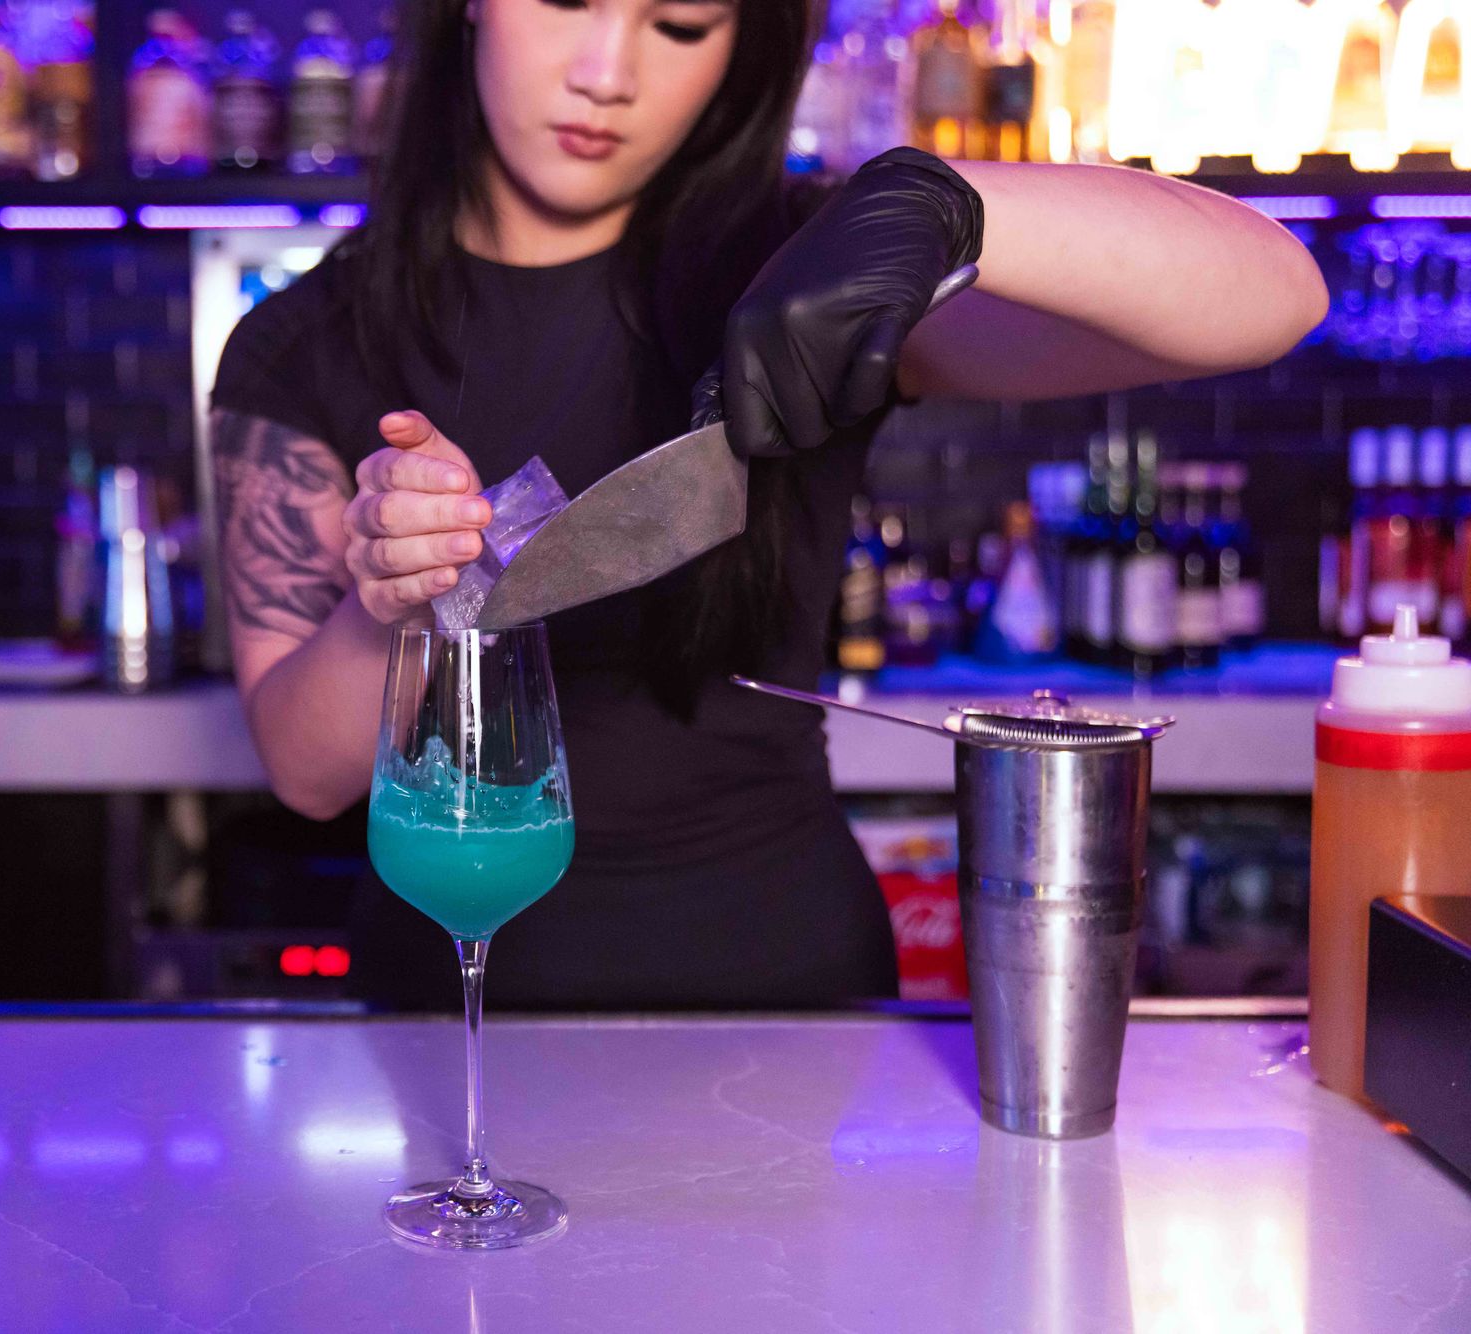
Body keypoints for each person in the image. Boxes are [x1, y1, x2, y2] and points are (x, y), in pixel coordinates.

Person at [209, 0, 1327, 1010]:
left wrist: (937, 202)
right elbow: (307, 774)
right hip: (453, 1010)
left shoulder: (810, 287)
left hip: (785, 995)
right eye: (563, 1)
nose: (606, 72)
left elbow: (1273, 299)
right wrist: (384, 600)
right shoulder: (304, 341)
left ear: (743, 47)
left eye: (679, 25)